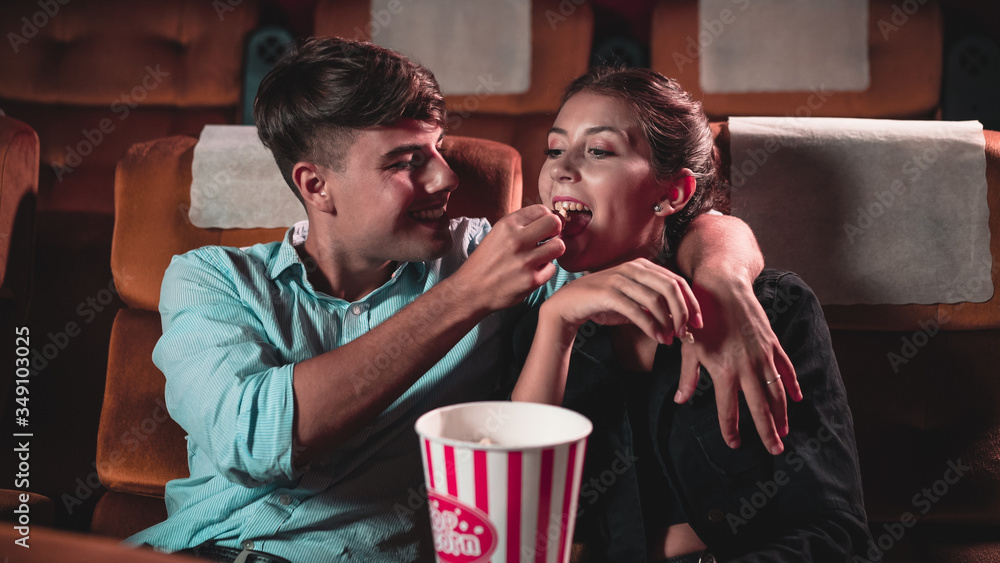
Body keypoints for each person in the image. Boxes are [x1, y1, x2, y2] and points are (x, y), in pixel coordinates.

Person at [127, 38, 799, 562]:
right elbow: (257, 440)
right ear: (316, 185)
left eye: (439, 148)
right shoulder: (210, 279)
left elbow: (669, 224)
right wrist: (467, 297)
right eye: (405, 160)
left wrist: (726, 281)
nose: (445, 176)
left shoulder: (493, 253)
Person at [510, 67, 872, 562]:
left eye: (599, 151)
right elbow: (509, 521)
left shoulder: (771, 309)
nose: (561, 171)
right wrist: (557, 324)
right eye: (554, 149)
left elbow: (834, 533)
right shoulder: (528, 306)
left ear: (672, 194)